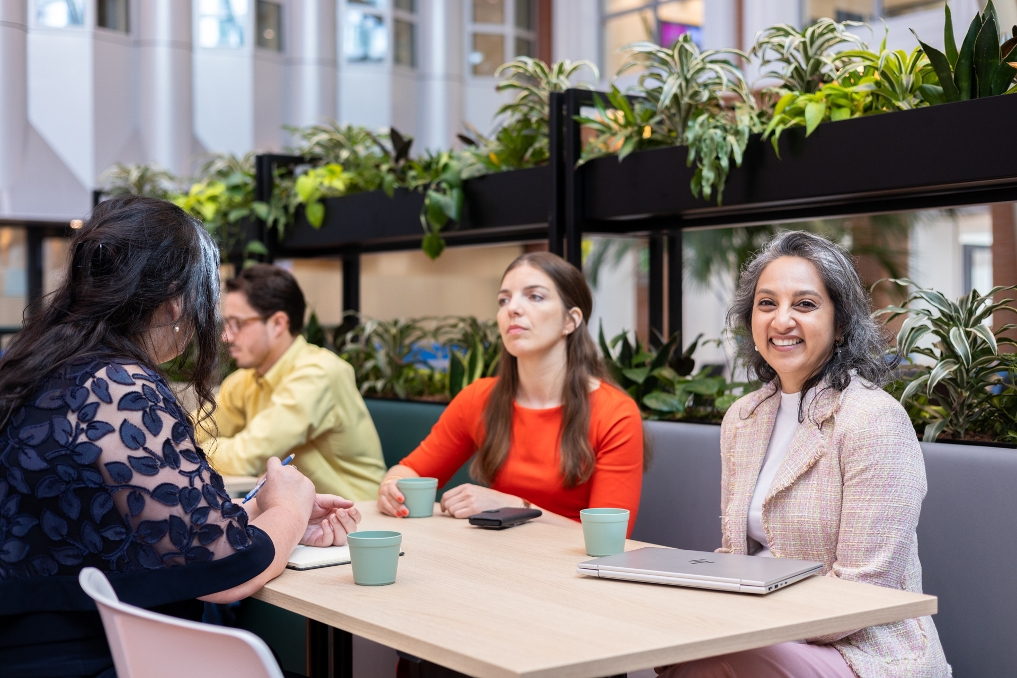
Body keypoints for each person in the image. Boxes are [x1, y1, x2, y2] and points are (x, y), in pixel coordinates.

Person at [0, 196, 361, 678]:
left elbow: (123, 519)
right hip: (90, 659)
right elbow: (225, 574)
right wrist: (290, 508)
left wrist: (257, 512)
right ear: (175, 301)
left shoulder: (39, 367)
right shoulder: (117, 386)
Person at [656, 231, 949, 677]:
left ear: (841, 323)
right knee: (668, 643)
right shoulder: (743, 418)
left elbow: (864, 592)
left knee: (724, 658)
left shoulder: (873, 420)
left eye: (805, 304)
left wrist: (748, 623)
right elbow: (735, 555)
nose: (781, 320)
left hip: (863, 650)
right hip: (755, 630)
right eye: (767, 303)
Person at [377, 251, 645, 534]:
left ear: (571, 320)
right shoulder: (478, 398)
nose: (512, 308)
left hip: (571, 560)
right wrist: (391, 488)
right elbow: (409, 471)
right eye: (504, 300)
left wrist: (513, 507)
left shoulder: (615, 412)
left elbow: (610, 536)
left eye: (535, 296)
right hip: (495, 554)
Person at [194, 264, 386, 499]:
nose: (226, 336)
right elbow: (195, 428)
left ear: (278, 324)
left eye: (238, 324)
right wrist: (180, 441)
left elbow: (248, 456)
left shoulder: (317, 374)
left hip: (359, 511)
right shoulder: (246, 379)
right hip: (303, 510)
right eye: (226, 324)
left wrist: (186, 450)